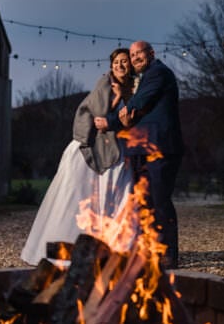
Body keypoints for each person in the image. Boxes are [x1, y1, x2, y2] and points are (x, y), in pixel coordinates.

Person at [20, 48, 136, 266]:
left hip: (116, 147)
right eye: (116, 62)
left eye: (124, 62)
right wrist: (118, 97)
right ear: (111, 66)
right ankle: (69, 247)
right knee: (79, 196)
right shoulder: (106, 84)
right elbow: (99, 115)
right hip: (91, 146)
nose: (120, 66)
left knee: (119, 197)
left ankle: (115, 249)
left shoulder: (132, 89)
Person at [94, 40, 184, 269]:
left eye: (138, 54)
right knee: (145, 202)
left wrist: (111, 121)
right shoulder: (141, 78)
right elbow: (133, 109)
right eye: (132, 55)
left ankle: (168, 254)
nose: (134, 59)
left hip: (159, 148)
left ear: (151, 53)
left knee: (160, 201)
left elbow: (137, 104)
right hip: (141, 150)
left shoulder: (158, 73)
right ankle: (149, 250)